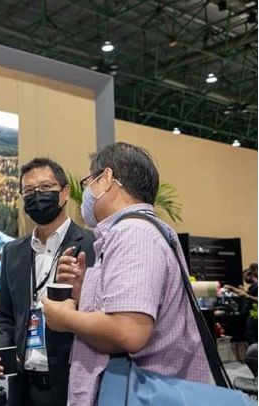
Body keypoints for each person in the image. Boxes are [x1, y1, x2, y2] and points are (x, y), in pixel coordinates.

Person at [43, 142, 211, 405]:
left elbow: (129, 331)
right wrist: (83, 291)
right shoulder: (141, 231)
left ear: (107, 178)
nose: (86, 193)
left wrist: (65, 317)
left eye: (89, 182)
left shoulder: (133, 233)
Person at [0, 158, 96, 406]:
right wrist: (0, 351)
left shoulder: (92, 245)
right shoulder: (13, 251)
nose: (37, 196)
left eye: (46, 187)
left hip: (72, 383)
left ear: (64, 192)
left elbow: (103, 314)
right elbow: (5, 315)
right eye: (29, 191)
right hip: (22, 387)